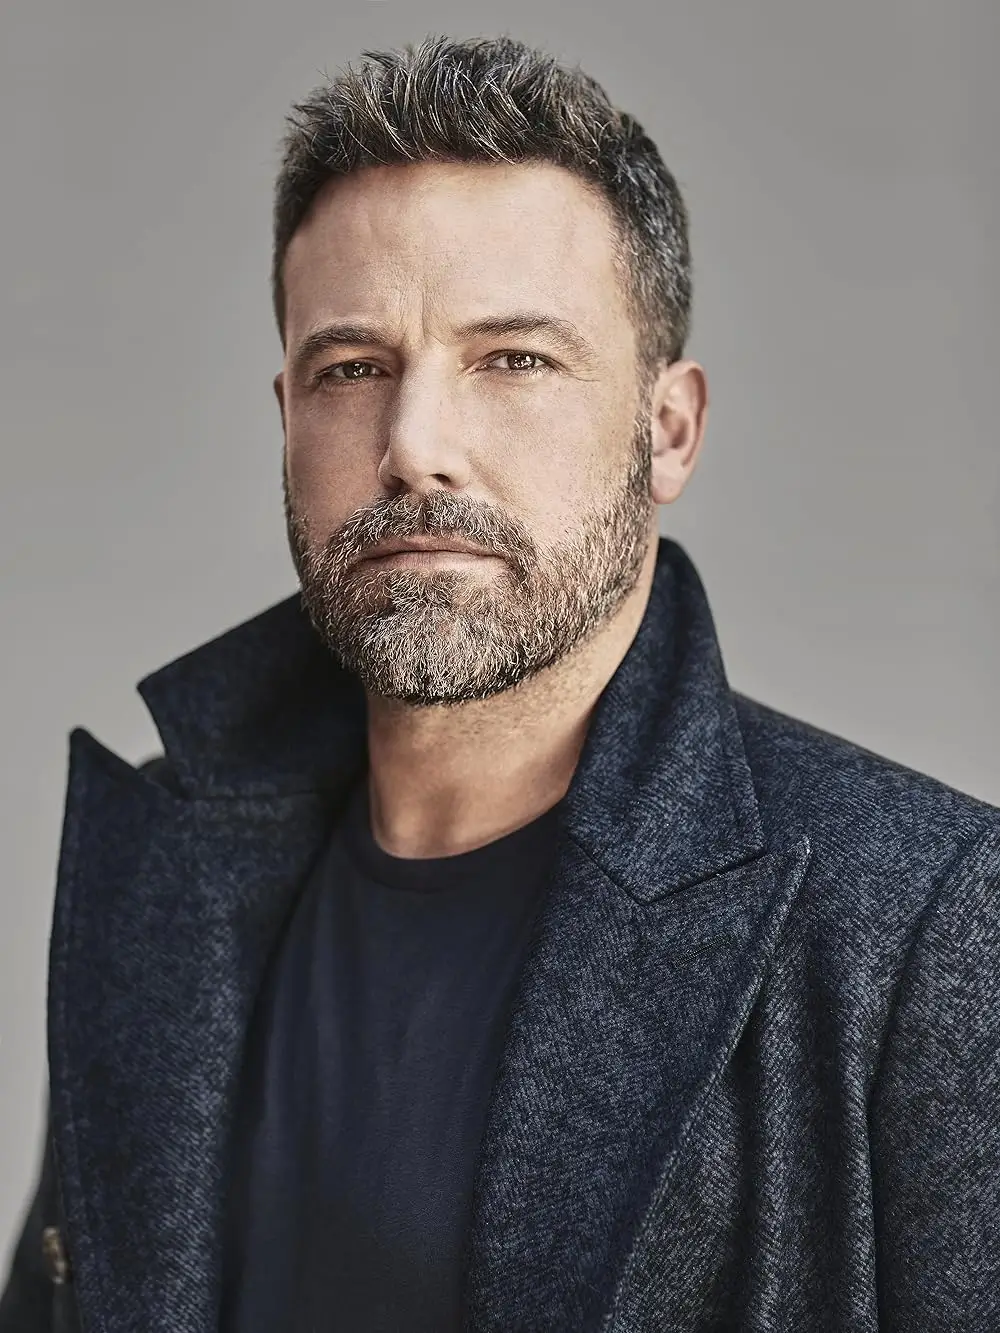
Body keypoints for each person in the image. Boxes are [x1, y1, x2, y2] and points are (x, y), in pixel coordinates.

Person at [2, 32, 999, 1333]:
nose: (414, 446)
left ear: (669, 429)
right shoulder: (159, 875)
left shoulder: (927, 930)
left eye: (513, 359)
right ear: (287, 418)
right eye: (352, 369)